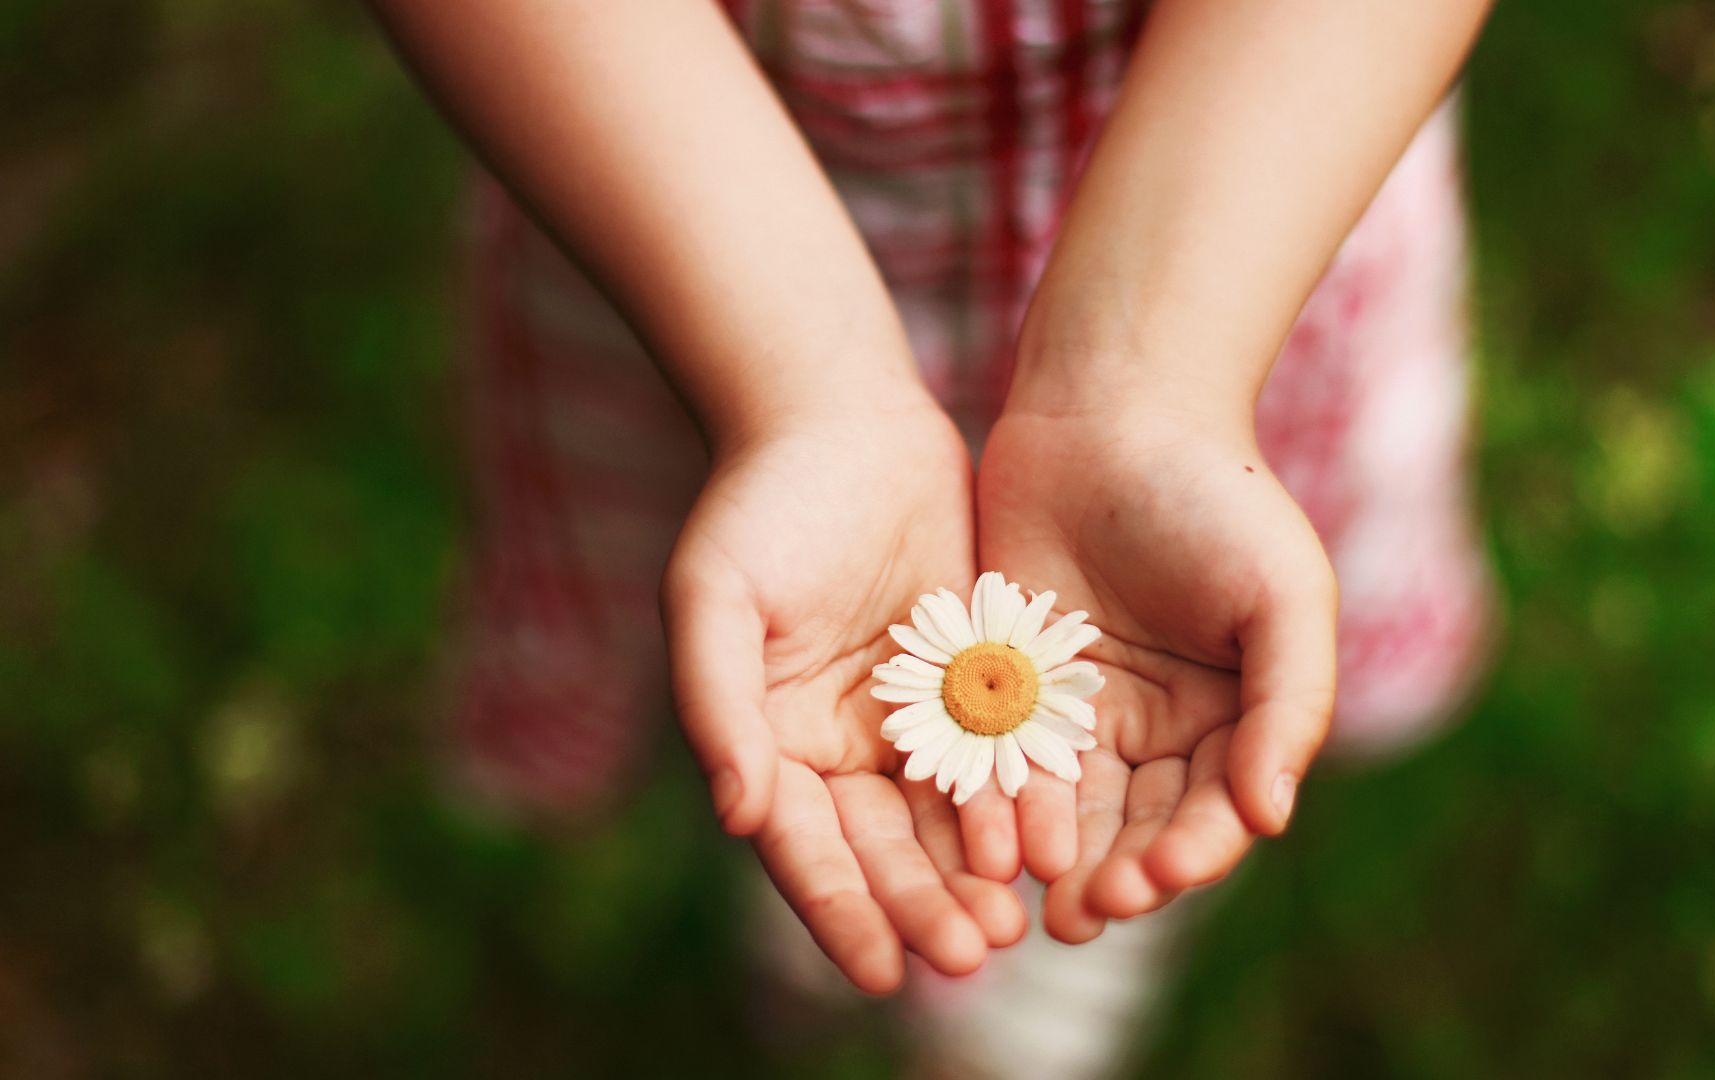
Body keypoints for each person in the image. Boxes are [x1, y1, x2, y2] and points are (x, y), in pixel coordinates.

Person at [371, 0, 1494, 1073]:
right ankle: (802, 879)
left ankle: (1088, 923)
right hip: (683, 222)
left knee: (1135, 718)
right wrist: (803, 391)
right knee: (769, 658)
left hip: (1236, 224)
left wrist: (1153, 380)